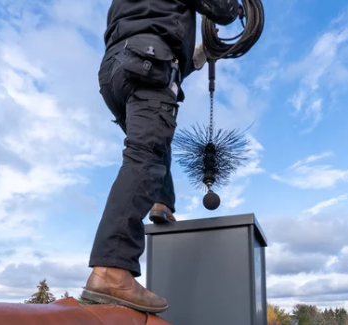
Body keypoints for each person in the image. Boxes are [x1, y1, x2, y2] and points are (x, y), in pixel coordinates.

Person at [81, 0, 239, 314]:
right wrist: (237, 8)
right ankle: (112, 269)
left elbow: (151, 30)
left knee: (154, 139)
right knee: (146, 155)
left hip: (116, 69)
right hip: (146, 60)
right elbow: (222, 9)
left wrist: (195, 56)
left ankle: (161, 203)